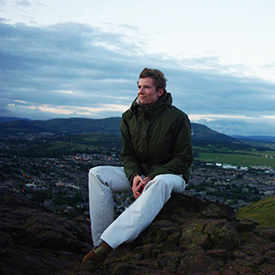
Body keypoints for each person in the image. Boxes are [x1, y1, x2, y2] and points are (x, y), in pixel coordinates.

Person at [82, 68, 193, 266]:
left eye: (147, 87)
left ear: (160, 91)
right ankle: (98, 243)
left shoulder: (178, 118)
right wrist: (133, 175)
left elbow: (183, 158)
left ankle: (110, 244)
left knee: (159, 182)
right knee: (97, 174)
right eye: (139, 87)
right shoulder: (129, 117)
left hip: (172, 176)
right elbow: (128, 155)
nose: (140, 91)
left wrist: (151, 176)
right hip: (140, 173)